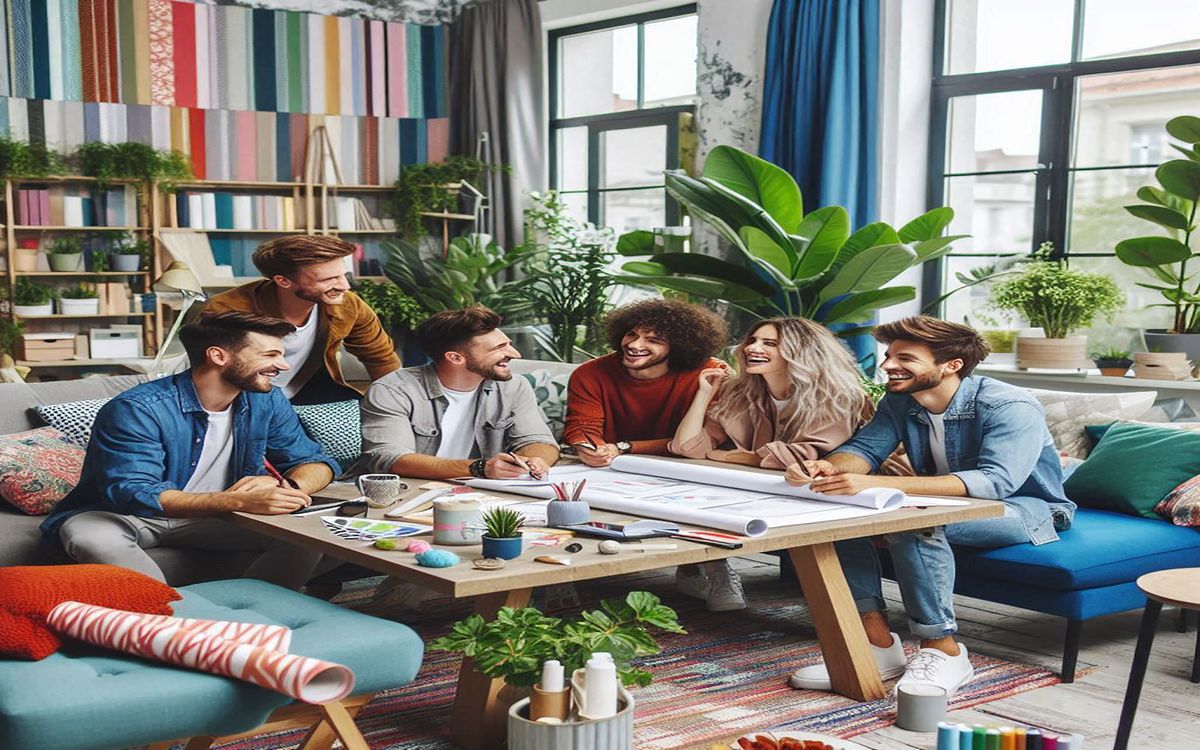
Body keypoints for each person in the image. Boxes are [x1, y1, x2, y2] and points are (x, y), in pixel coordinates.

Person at [784, 316, 1073, 696]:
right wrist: (828, 467)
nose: (888, 365)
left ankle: (944, 650)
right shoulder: (901, 400)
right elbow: (865, 449)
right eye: (889, 355)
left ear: (951, 365)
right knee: (840, 514)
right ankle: (875, 644)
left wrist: (879, 484)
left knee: (911, 522)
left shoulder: (1009, 404)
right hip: (943, 501)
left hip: (1027, 509)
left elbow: (995, 483)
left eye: (905, 358)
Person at [42, 312, 340, 589]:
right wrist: (238, 499)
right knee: (92, 537)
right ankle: (168, 618)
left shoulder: (267, 400)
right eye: (270, 355)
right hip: (129, 515)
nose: (283, 365)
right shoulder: (138, 409)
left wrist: (288, 489)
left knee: (311, 534)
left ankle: (251, 614)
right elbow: (133, 492)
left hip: (223, 515)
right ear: (218, 356)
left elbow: (315, 462)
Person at [668, 317, 873, 612]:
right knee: (689, 492)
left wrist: (736, 456)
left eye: (769, 343)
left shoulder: (836, 395)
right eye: (752, 340)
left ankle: (852, 612)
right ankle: (716, 573)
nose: (752, 348)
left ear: (799, 351)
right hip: (768, 486)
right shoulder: (740, 391)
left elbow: (806, 458)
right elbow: (687, 447)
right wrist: (703, 394)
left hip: (825, 492)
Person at [563, 299, 738, 610]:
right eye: (632, 334)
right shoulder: (590, 373)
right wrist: (587, 447)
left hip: (690, 462)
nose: (635, 345)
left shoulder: (710, 373)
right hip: (616, 468)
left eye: (653, 339)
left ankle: (715, 570)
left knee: (706, 498)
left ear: (679, 346)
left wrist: (627, 446)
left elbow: (704, 441)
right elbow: (582, 427)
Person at [359, 305, 559, 480]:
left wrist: (534, 461)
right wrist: (479, 468)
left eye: (509, 344)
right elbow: (389, 457)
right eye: (499, 348)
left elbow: (539, 440)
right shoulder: (393, 390)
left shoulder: (514, 386)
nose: (515, 354)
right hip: (410, 491)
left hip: (482, 492)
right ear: (455, 358)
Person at [204, 235, 400, 405]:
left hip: (312, 395)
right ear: (283, 281)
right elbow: (208, 375)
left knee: (359, 430)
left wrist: (399, 405)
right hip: (244, 401)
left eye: (343, 275)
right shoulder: (225, 310)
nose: (344, 286)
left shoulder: (347, 305)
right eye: (328, 279)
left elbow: (380, 357)